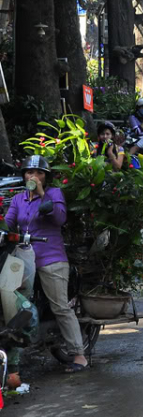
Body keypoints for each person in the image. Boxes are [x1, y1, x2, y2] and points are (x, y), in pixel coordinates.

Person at [5, 156, 89, 373]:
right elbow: (8, 223)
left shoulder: (53, 194)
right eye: (29, 172)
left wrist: (42, 194)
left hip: (50, 256)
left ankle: (79, 354)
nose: (33, 176)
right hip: (23, 256)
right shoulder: (17, 199)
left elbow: (60, 218)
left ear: (45, 177)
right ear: (23, 175)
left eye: (38, 173)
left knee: (60, 306)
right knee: (9, 297)